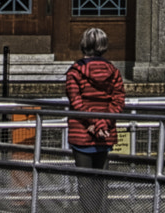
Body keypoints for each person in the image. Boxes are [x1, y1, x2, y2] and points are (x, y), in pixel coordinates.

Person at [65, 28, 126, 213]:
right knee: (101, 181)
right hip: (105, 134)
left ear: (84, 45)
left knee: (85, 183)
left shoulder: (75, 72)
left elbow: (76, 102)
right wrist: (103, 123)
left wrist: (93, 124)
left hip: (82, 133)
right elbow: (118, 101)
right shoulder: (114, 71)